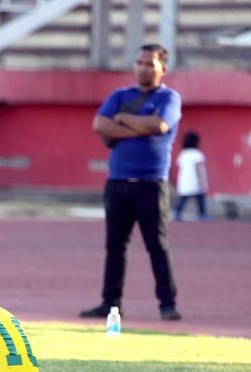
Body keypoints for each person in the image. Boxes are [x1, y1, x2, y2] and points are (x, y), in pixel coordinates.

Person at [81, 43, 182, 321]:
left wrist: (123, 119)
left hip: (152, 183)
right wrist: (140, 125)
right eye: (139, 62)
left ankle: (167, 303)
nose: (143, 68)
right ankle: (110, 303)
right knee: (115, 246)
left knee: (157, 245)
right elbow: (100, 124)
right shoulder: (119, 94)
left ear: (163, 68)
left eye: (150, 63)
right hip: (118, 182)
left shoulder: (169, 98)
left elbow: (159, 126)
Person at [173, 131, 209, 221]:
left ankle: (177, 213)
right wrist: (200, 181)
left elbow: (180, 166)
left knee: (182, 199)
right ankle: (202, 215)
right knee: (200, 200)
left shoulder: (183, 154)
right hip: (195, 181)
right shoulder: (197, 154)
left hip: (185, 181)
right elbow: (198, 168)